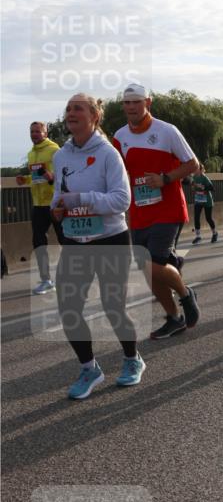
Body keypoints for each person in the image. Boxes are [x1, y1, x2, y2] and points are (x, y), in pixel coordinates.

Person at [50, 94, 145, 399]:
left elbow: (121, 200)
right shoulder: (61, 156)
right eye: (68, 108)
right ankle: (90, 368)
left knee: (112, 306)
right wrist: (58, 208)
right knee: (69, 309)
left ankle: (132, 359)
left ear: (94, 116)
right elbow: (59, 195)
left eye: (77, 108)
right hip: (76, 241)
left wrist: (82, 199)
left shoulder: (108, 154)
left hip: (110, 240)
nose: (70, 113)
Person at [113, 83, 201, 339]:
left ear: (147, 103)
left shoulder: (167, 131)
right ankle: (173, 317)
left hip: (168, 208)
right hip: (139, 211)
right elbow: (117, 174)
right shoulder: (120, 136)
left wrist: (165, 178)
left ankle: (186, 294)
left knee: (153, 262)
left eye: (136, 102)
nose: (131, 107)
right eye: (127, 103)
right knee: (147, 267)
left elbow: (192, 164)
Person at [15, 121, 62, 294]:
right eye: (32, 131)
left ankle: (77, 276)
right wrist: (25, 180)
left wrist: (52, 177)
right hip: (38, 205)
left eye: (37, 131)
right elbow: (36, 177)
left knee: (67, 241)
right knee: (39, 243)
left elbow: (65, 175)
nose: (34, 134)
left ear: (45, 132)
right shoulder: (30, 154)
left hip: (55, 203)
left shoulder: (55, 150)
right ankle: (46, 280)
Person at [191, 162, 218, 243]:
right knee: (196, 217)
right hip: (198, 200)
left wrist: (203, 187)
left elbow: (212, 188)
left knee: (208, 218)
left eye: (196, 168)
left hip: (207, 201)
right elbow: (192, 186)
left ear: (200, 170)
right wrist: (194, 187)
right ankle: (198, 236)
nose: (194, 170)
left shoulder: (204, 177)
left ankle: (214, 233)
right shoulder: (194, 177)